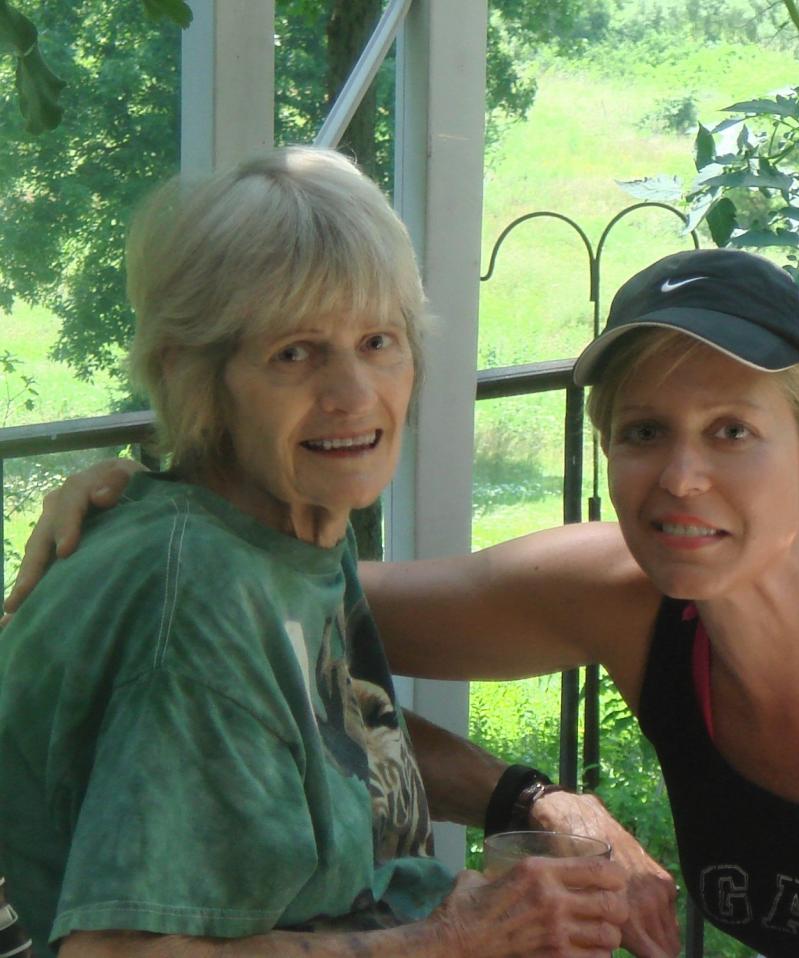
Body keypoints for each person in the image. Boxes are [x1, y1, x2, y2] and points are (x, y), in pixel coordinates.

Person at [12, 248, 799, 956]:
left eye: (729, 431)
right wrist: (149, 501)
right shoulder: (625, 597)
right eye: (640, 432)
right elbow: (274, 596)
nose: (678, 478)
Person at [0, 146, 655, 958]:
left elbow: (326, 732)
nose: (353, 395)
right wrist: (456, 939)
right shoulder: (202, 597)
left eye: (379, 340)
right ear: (194, 374)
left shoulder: (285, 526)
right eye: (294, 351)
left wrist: (524, 802)